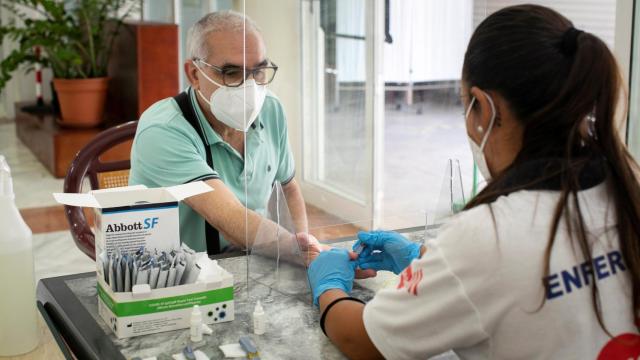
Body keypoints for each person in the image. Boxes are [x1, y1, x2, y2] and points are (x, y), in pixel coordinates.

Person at [307, 5, 640, 359]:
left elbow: (363, 340)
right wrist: (424, 261)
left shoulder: (489, 234)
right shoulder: (625, 187)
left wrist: (329, 287)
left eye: (465, 104)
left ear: (484, 106)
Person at [129, 11, 311, 255]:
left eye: (258, 71)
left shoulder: (271, 108)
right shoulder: (163, 130)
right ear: (194, 74)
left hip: (253, 258)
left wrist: (303, 249)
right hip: (180, 277)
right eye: (232, 73)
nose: (250, 87)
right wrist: (304, 254)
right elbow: (229, 217)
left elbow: (287, 186)